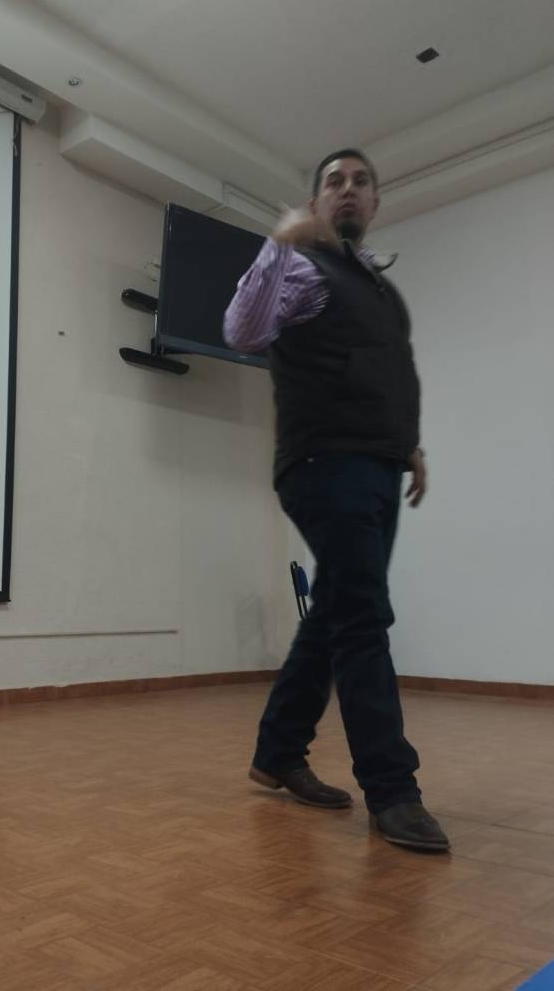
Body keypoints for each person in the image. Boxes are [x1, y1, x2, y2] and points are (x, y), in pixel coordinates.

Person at [223, 148, 449, 852]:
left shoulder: (382, 292)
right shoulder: (302, 267)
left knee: (334, 612)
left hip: (377, 462)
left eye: (360, 181)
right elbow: (242, 331)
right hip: (323, 461)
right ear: (318, 203)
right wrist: (277, 243)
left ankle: (277, 752)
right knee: (361, 616)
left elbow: (391, 376)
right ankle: (393, 791)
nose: (347, 189)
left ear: (375, 201)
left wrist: (409, 446)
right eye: (333, 182)